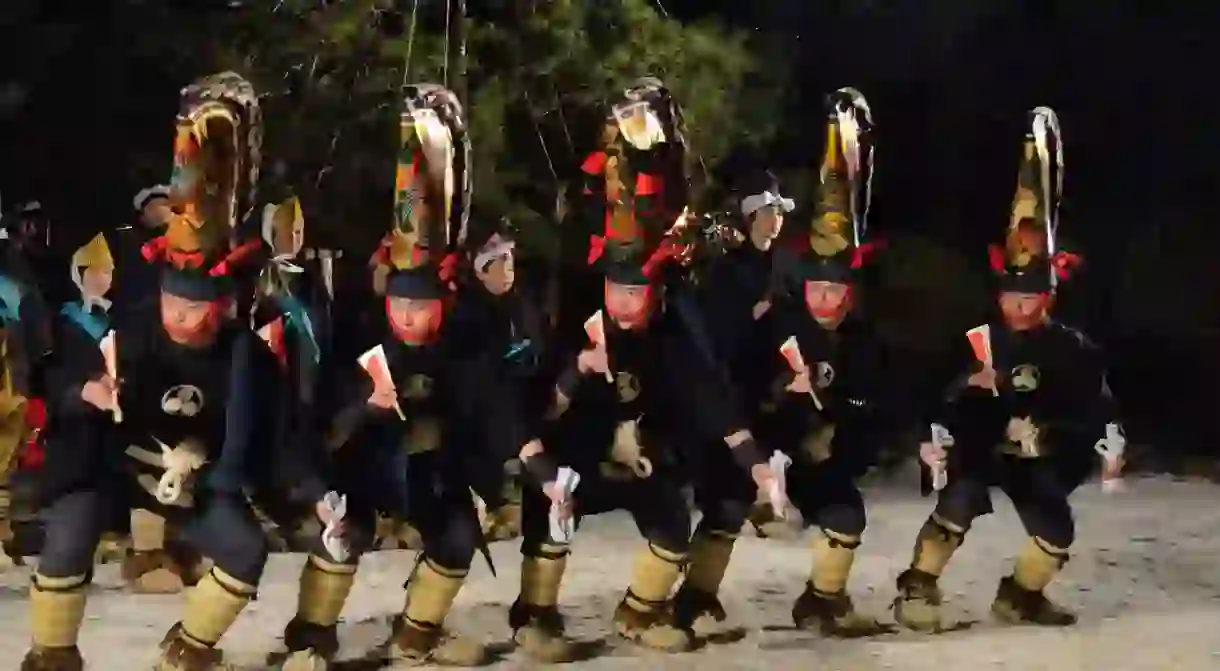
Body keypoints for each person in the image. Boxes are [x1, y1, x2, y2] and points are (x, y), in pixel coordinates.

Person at [19, 71, 325, 671]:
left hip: (202, 480)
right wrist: (85, 390)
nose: (185, 318)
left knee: (243, 548)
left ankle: (189, 650)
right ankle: (51, 655)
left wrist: (313, 492)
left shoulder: (249, 359)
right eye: (176, 305)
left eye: (198, 308)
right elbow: (52, 383)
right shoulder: (125, 328)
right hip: (115, 463)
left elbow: (279, 438)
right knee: (69, 531)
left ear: (226, 305)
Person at [505, 78, 780, 662]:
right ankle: (535, 615)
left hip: (637, 456)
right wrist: (577, 372)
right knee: (553, 514)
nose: (627, 307)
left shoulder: (669, 333)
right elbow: (534, 411)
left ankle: (640, 611)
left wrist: (757, 464)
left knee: (672, 520)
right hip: (570, 458)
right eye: (617, 293)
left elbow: (712, 398)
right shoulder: (573, 323)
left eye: (638, 295)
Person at [278, 83, 496, 668]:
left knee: (455, 536)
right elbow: (326, 424)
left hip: (426, 469)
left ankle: (417, 631)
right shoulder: (359, 337)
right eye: (402, 310)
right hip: (364, 467)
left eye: (422, 310)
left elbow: (475, 411)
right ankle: (311, 635)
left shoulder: (459, 343)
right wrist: (368, 409)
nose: (411, 320)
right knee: (346, 529)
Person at [676, 88, 901, 637]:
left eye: (836, 291)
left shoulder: (841, 317)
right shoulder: (736, 277)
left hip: (802, 440)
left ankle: (823, 602)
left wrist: (843, 424)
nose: (826, 300)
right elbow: (727, 356)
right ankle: (693, 599)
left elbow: (870, 399)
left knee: (845, 512)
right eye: (765, 213)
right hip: (748, 416)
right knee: (727, 505)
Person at [892, 106, 1124, 632]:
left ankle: (1020, 597)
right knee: (961, 496)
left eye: (1030, 299)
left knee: (1057, 531)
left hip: (1035, 456)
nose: (1018, 310)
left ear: (1050, 297)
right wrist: (949, 409)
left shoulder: (1075, 349)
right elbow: (929, 394)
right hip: (978, 448)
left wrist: (1066, 435)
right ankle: (917, 588)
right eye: (1010, 298)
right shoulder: (972, 338)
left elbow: (1097, 410)